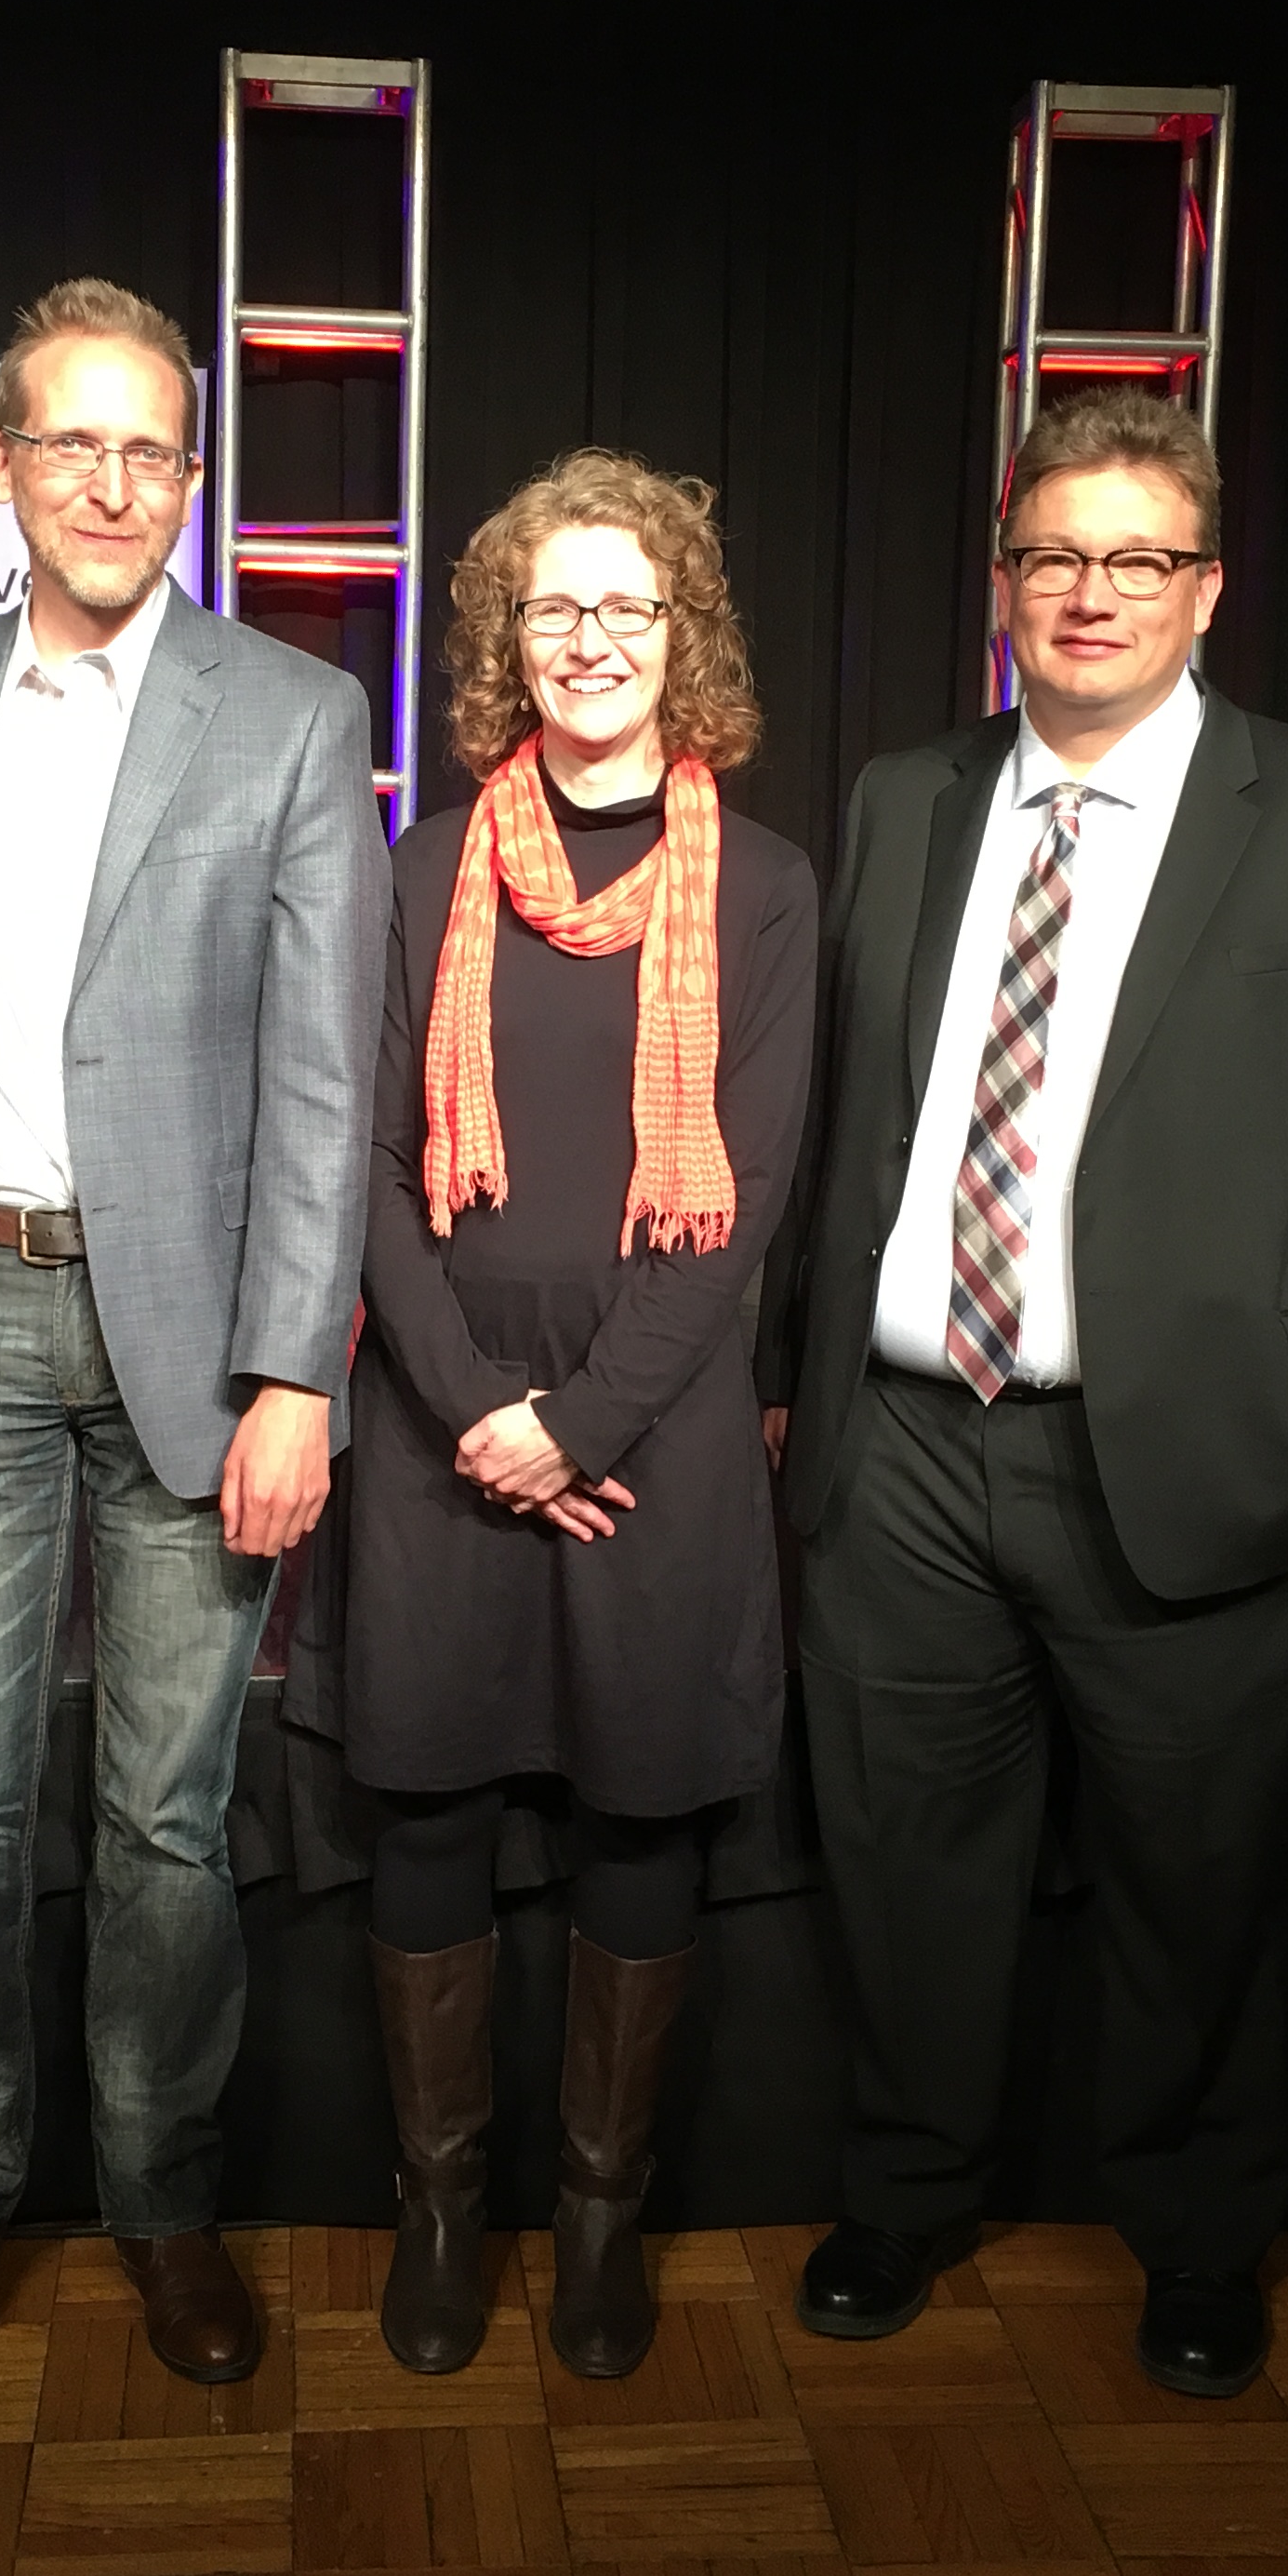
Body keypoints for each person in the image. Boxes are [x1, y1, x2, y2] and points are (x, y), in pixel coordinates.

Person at [758, 390, 1288, 2398]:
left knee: (1194, 1887)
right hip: (903, 1451)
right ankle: (904, 2197)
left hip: (1192, 1466)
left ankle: (1202, 2237)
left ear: (1208, 588)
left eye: (1137, 557)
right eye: (1054, 554)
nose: (1091, 593)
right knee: (906, 1866)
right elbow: (849, 1131)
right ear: (1004, 581)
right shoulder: (906, 794)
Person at [0, 278, 388, 2388]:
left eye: (152, 448)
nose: (112, 482)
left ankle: (163, 2202)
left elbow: (324, 1074)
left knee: (166, 1820)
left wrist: (296, 1372)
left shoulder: (292, 716)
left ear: (189, 475)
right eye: (70, 441)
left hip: (191, 1340)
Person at [327, 452, 817, 2382]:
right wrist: (473, 1410)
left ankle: (602, 2231)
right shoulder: (425, 865)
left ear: (683, 636)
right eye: (555, 606)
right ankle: (443, 2216)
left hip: (660, 1413)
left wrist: (583, 1423)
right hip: (440, 1399)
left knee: (641, 1813)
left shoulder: (765, 886)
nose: (593, 638)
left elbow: (753, 1193)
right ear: (503, 641)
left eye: (631, 606)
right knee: (430, 1805)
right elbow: (363, 1162)